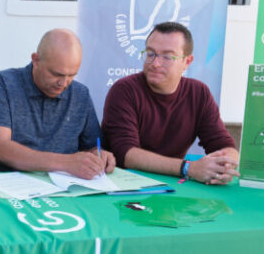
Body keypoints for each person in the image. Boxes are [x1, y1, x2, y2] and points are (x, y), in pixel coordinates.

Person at [102, 21, 239, 185]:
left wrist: (224, 166)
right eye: (151, 53)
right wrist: (189, 168)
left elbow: (224, 145)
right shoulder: (125, 90)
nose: (155, 63)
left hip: (173, 185)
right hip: (126, 186)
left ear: (187, 62)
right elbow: (127, 154)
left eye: (167, 57)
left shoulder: (199, 93)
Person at [0, 28, 115, 178]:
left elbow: (93, 147)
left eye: (72, 75)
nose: (63, 83)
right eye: (56, 74)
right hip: (4, 188)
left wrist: (99, 156)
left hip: (63, 190)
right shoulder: (2, 85)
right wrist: (66, 163)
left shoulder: (80, 95)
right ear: (36, 60)